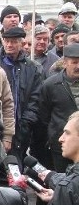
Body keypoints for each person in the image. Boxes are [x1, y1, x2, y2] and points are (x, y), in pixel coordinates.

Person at [0, 26, 44, 163]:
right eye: (7, 41)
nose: (9, 45)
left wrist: (25, 124)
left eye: (14, 41)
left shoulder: (33, 68)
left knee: (16, 167)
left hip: (21, 128)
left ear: (22, 43)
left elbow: (35, 99)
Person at [38, 43, 79, 172]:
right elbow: (44, 115)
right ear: (65, 63)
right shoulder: (51, 84)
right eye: (75, 62)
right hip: (61, 142)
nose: (78, 66)